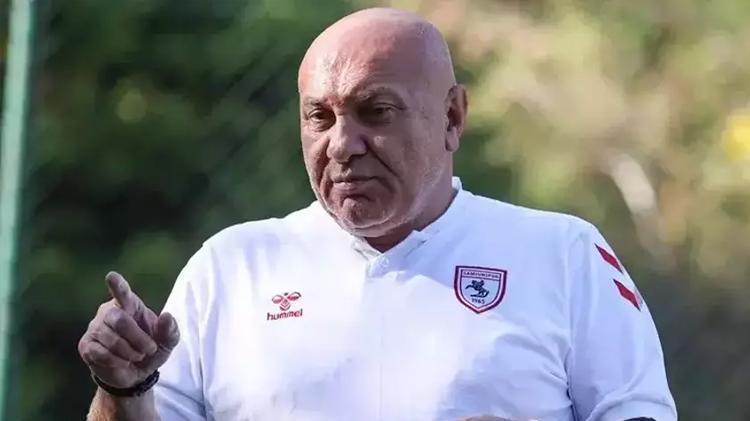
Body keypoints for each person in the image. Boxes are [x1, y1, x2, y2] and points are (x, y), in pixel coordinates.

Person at [78, 7, 677, 421]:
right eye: (320, 117)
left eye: (376, 111)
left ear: (452, 117)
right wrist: (123, 389)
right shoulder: (231, 267)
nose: (342, 144)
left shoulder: (563, 255)